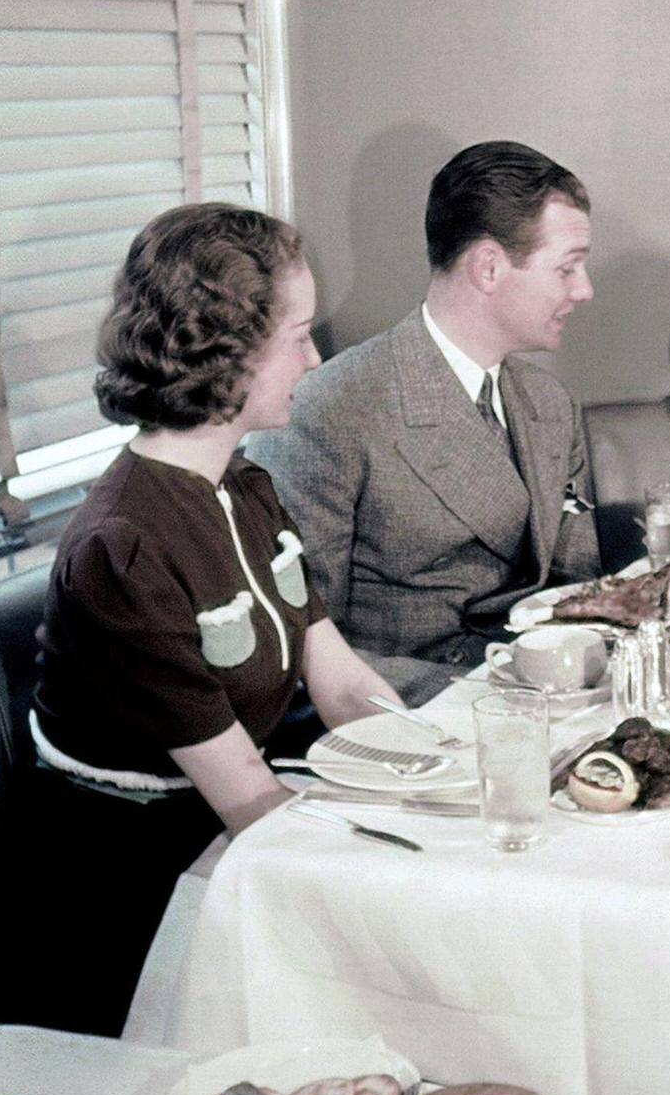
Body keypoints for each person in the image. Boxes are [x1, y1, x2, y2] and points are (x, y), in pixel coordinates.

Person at [26, 203, 405, 1031]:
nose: (317, 356)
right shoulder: (120, 550)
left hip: (229, 822)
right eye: (300, 334)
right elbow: (246, 798)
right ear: (226, 353)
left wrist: (436, 764)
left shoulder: (246, 486)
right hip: (132, 890)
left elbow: (337, 680)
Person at [253, 141, 600, 686]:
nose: (585, 290)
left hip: (551, 692)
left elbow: (579, 591)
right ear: (488, 267)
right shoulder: (329, 411)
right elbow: (298, 649)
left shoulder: (550, 403)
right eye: (567, 269)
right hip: (422, 713)